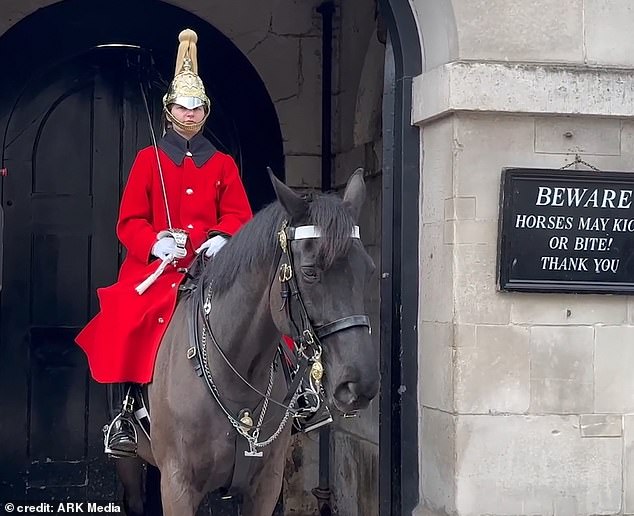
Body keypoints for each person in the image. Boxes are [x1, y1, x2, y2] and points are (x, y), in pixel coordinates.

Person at [75, 29, 253, 457]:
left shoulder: (223, 163)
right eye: (181, 105)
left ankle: (295, 400)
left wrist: (223, 237)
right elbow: (129, 221)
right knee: (132, 314)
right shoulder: (147, 159)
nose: (189, 113)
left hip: (212, 268)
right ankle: (127, 409)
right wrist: (155, 244)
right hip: (159, 270)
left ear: (205, 111)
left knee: (261, 308)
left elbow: (238, 213)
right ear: (169, 110)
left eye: (196, 106)